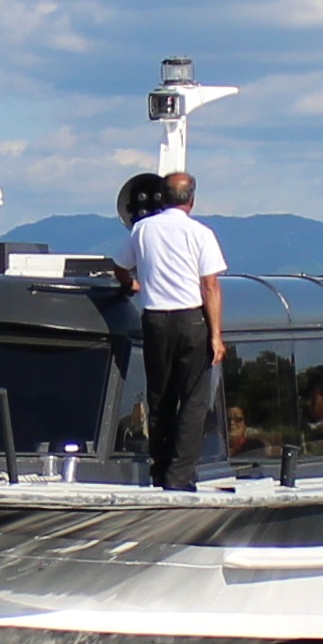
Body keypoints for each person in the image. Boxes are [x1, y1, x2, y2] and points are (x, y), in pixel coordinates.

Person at [111, 171, 228, 491]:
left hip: (155, 320)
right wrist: (216, 334)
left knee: (159, 397)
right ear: (192, 199)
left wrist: (132, 285)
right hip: (190, 319)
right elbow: (210, 285)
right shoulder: (200, 233)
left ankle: (160, 468)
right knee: (192, 400)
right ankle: (180, 475)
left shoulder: (142, 230)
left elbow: (119, 265)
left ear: (162, 198)